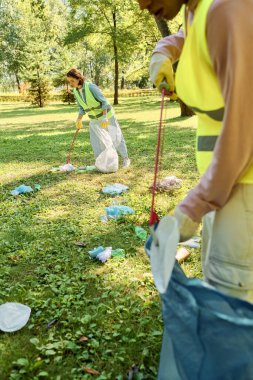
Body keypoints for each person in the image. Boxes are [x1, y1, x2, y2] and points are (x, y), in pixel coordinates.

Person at [138, 0, 253, 303]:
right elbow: (183, 36)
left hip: (244, 192)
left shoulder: (226, 9)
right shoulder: (196, 11)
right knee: (219, 289)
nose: (141, 4)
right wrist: (162, 52)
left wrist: (193, 207)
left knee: (233, 308)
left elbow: (245, 127)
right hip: (224, 188)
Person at [66, 68, 130, 168]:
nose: (71, 83)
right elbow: (82, 107)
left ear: (79, 78)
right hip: (94, 119)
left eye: (72, 81)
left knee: (115, 137)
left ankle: (125, 158)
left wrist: (104, 117)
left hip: (107, 116)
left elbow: (104, 102)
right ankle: (101, 162)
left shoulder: (91, 87)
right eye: (69, 81)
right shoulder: (75, 91)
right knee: (96, 141)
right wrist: (79, 119)